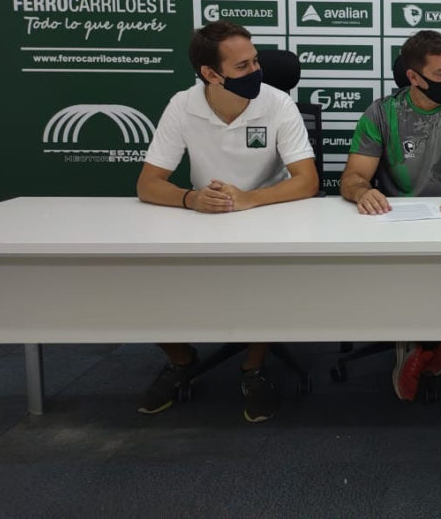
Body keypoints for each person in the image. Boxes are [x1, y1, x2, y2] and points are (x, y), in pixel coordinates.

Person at [136, 21, 319, 422]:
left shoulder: (276, 103)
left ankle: (253, 367)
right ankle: (182, 360)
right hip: (206, 216)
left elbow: (307, 181)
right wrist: (191, 199)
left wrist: (250, 199)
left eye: (255, 61)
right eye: (243, 66)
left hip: (270, 212)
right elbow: (148, 184)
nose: (256, 71)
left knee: (266, 283)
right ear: (211, 73)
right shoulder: (182, 105)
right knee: (140, 285)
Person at [340, 30, 441, 401]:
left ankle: (424, 344)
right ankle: (422, 343)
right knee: (412, 275)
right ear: (413, 76)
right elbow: (352, 177)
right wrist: (363, 192)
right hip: (398, 228)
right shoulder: (381, 113)